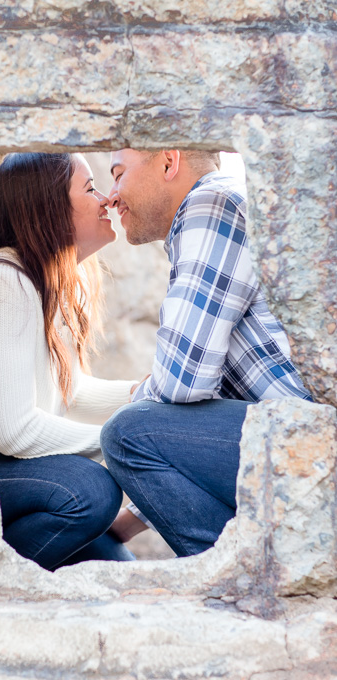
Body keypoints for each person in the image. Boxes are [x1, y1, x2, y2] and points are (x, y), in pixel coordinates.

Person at [101, 148, 312, 558]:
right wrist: (129, 521)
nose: (111, 195)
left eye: (119, 173)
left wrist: (137, 399)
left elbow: (182, 383)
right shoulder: (210, 213)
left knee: (128, 432)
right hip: (294, 438)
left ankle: (246, 580)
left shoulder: (210, 204)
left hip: (309, 444)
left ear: (168, 161)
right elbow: (207, 413)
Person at [0, 152, 137, 570]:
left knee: (118, 567)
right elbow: (12, 431)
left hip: (13, 474)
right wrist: (123, 445)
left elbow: (71, 392)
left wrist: (145, 396)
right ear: (49, 206)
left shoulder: (47, 282)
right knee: (89, 492)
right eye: (89, 188)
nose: (105, 199)